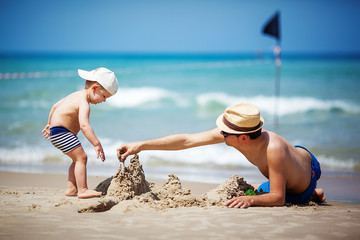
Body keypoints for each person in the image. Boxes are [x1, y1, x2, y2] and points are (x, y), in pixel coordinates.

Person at [117, 102, 326, 208]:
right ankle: (315, 193)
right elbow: (187, 140)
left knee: (264, 193)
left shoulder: (274, 150)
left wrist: (250, 201)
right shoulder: (239, 136)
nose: (221, 133)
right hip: (298, 161)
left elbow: (279, 199)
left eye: (225, 132)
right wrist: (140, 145)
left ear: (243, 138)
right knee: (263, 189)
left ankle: (313, 192)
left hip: (304, 177)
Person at [42, 67, 118, 199]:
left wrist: (49, 124)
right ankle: (82, 190)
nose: (104, 100)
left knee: (76, 159)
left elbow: (55, 106)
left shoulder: (74, 95)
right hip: (62, 132)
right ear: (94, 88)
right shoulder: (84, 102)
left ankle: (71, 189)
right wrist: (96, 144)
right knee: (82, 158)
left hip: (56, 130)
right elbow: (84, 125)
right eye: (104, 96)